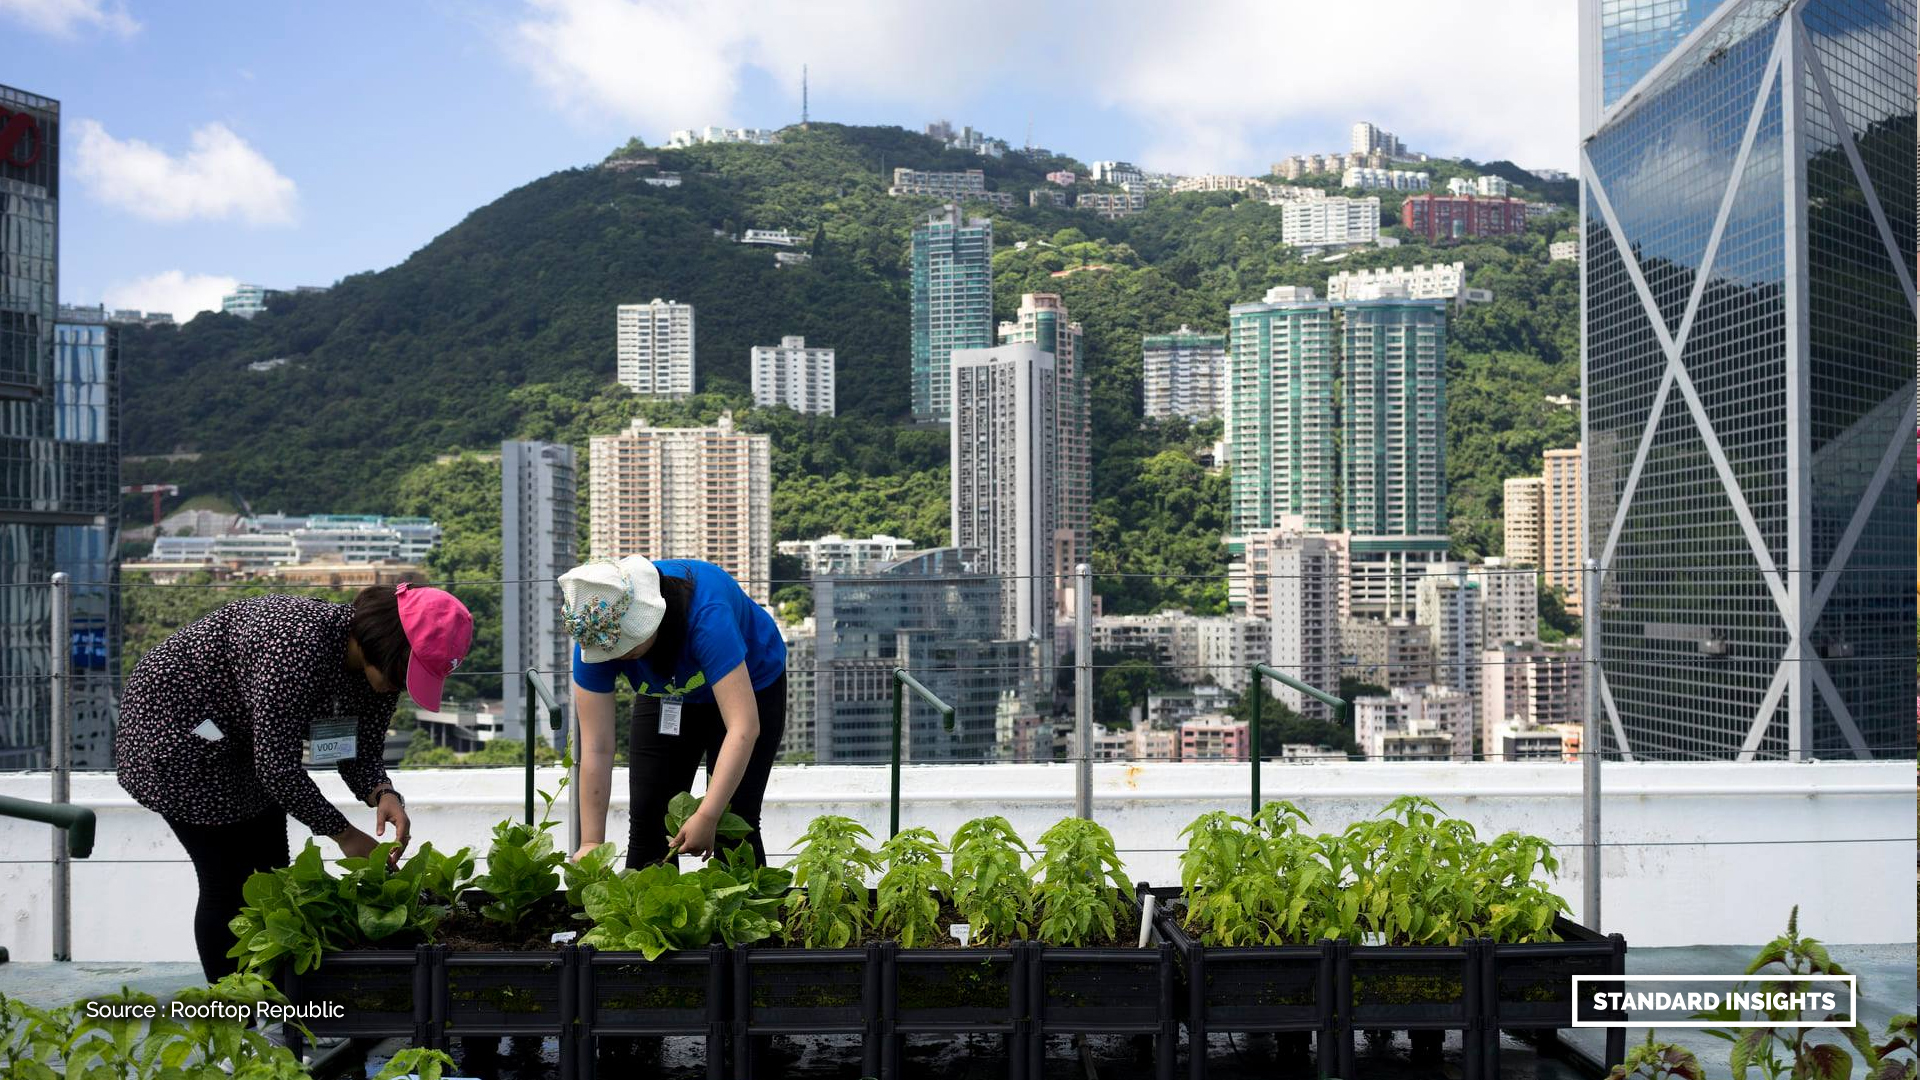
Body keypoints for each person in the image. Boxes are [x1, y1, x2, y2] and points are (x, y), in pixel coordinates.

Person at [115, 583, 473, 981]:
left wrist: (383, 793)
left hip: (244, 742)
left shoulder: (378, 670)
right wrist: (344, 834)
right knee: (227, 882)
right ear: (384, 644)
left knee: (273, 875)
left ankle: (275, 999)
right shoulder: (296, 644)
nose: (401, 687)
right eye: (404, 675)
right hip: (176, 734)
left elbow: (358, 747)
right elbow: (277, 768)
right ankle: (233, 1015)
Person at [563, 556, 786, 868]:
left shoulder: (707, 616)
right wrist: (591, 843)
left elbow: (743, 727)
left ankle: (746, 914)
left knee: (733, 824)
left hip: (751, 684)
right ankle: (648, 917)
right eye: (615, 651)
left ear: (650, 618)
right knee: (649, 821)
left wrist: (707, 815)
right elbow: (597, 746)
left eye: (630, 647)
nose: (622, 656)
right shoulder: (597, 631)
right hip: (669, 694)